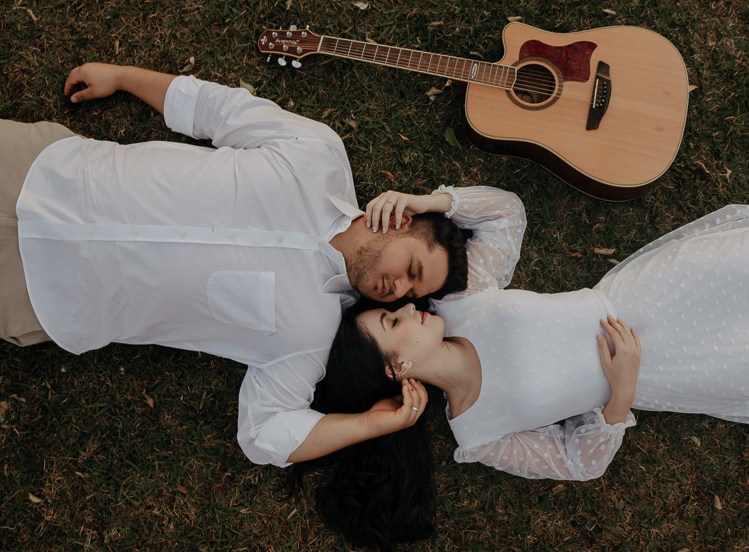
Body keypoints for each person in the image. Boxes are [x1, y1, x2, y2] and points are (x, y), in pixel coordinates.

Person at [318, 185, 749, 552]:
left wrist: (432, 203)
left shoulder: (462, 301)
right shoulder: (480, 433)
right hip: (674, 367)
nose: (407, 307)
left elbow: (507, 213)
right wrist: (620, 394)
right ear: (401, 371)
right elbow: (579, 462)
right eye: (393, 323)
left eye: (394, 307)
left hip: (657, 288)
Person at [0, 62, 474, 467]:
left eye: (411, 295)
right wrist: (121, 77)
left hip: (39, 294)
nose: (399, 291)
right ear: (402, 218)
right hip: (49, 172)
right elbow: (210, 107)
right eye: (412, 269)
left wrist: (371, 423)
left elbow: (264, 435)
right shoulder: (317, 154)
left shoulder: (310, 336)